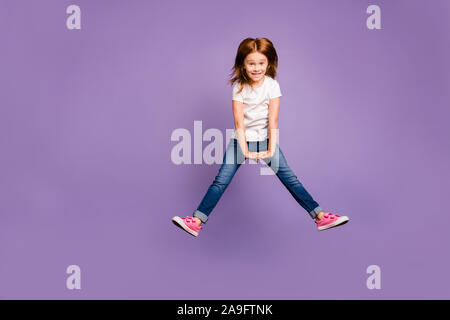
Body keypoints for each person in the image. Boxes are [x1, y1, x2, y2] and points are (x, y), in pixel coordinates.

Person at [172, 37, 349, 237]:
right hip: (241, 141)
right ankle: (196, 221)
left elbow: (273, 121)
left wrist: (270, 148)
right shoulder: (238, 87)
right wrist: (245, 150)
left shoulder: (272, 86)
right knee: (220, 181)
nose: (256, 68)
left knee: (291, 180)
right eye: (251, 63)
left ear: (269, 63)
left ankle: (320, 217)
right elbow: (239, 122)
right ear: (243, 65)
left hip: (267, 140)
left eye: (261, 63)